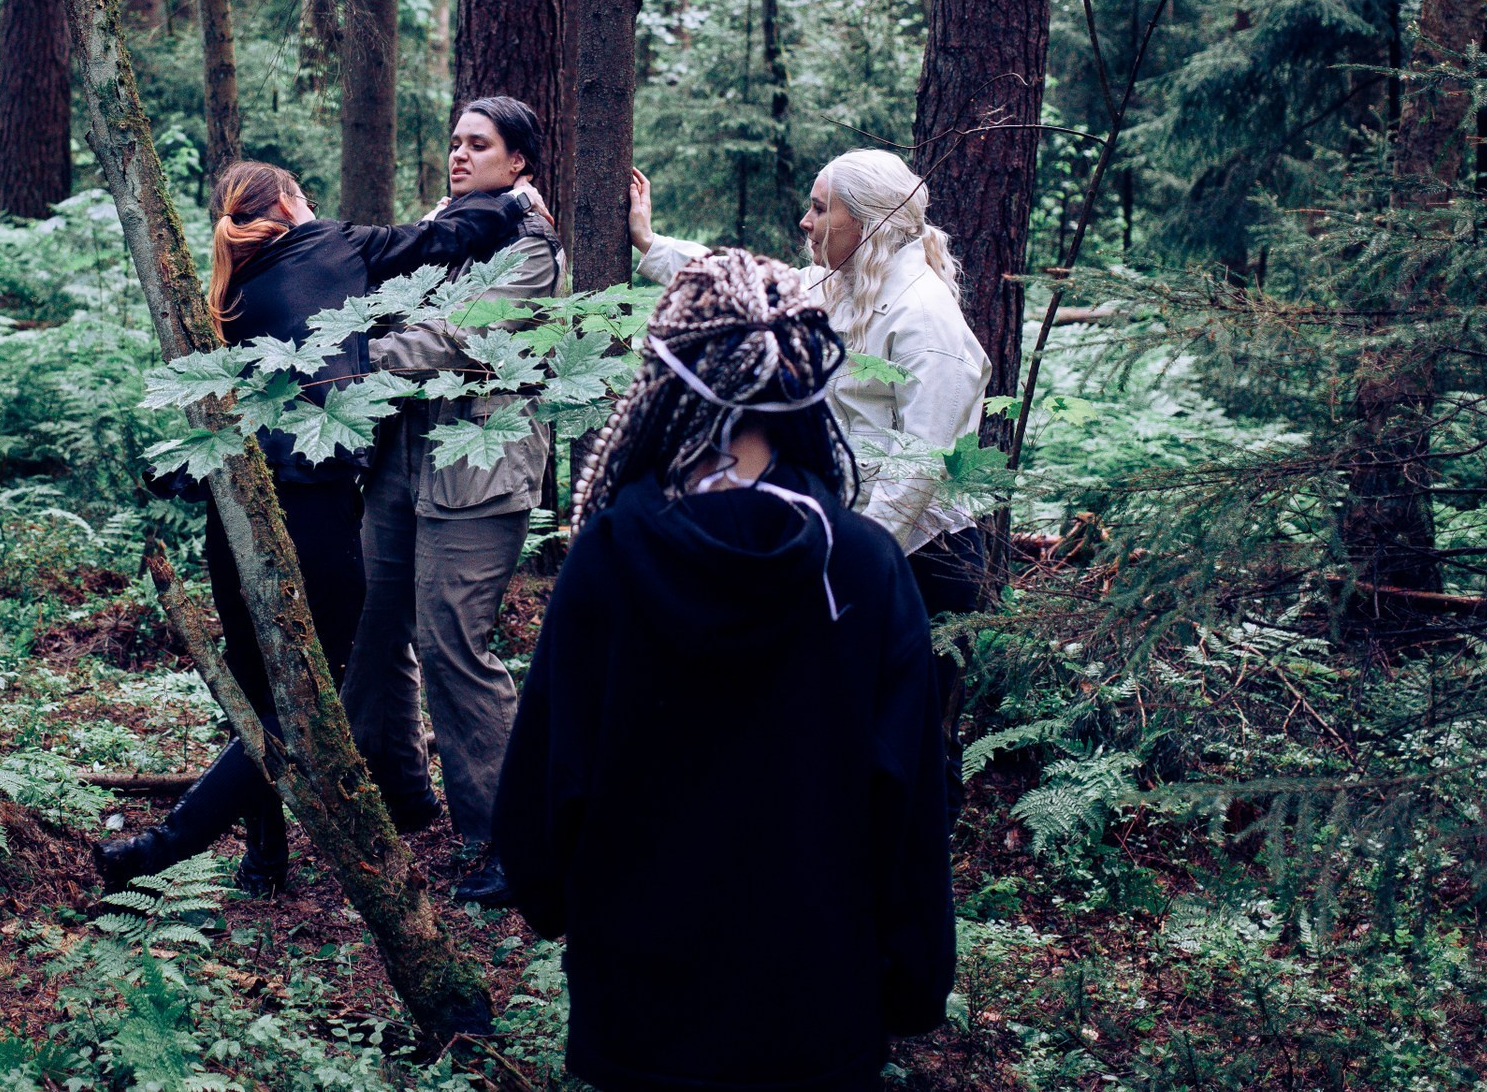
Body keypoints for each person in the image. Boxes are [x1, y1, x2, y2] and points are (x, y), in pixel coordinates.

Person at [493, 247, 956, 1092]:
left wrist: (556, 902)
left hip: (638, 1006)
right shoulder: (865, 564)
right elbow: (911, 804)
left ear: (669, 375)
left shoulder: (607, 556)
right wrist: (915, 976)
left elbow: (544, 781)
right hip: (818, 1007)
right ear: (800, 375)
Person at [94, 159, 538, 894]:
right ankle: (161, 847)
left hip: (231, 503)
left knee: (253, 685)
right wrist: (515, 202)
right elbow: (445, 238)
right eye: (304, 193)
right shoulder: (331, 244)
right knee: (306, 698)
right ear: (289, 202)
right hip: (312, 508)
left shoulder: (226, 288)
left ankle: (265, 860)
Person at [344, 96, 564, 905]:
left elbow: (459, 338)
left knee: (452, 643)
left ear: (518, 161)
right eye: (455, 141)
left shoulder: (531, 247)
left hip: (478, 465)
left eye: (480, 143)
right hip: (401, 453)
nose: (460, 154)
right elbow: (385, 292)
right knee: (373, 626)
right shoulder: (443, 226)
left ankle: (508, 839)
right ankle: (399, 793)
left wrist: (354, 356)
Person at [631, 149, 993, 616]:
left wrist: (855, 557)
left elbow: (920, 464)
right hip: (851, 541)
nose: (806, 221)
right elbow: (745, 284)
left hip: (921, 561)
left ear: (867, 221)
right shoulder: (840, 284)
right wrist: (650, 243)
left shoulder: (923, 315)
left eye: (821, 209)